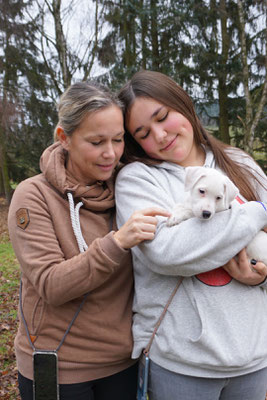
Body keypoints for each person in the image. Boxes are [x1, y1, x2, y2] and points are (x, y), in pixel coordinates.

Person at [8, 81, 170, 400]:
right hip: (61, 369)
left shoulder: (129, 186)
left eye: (118, 139)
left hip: (123, 363)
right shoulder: (34, 195)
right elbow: (51, 284)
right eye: (96, 142)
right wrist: (117, 242)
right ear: (64, 138)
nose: (110, 153)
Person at [115, 70, 267, 400]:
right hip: (182, 363)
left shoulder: (239, 163)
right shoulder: (137, 180)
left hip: (254, 358)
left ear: (182, 104)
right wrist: (256, 213)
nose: (159, 135)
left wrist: (260, 277)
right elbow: (168, 252)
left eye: (162, 117)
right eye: (143, 133)